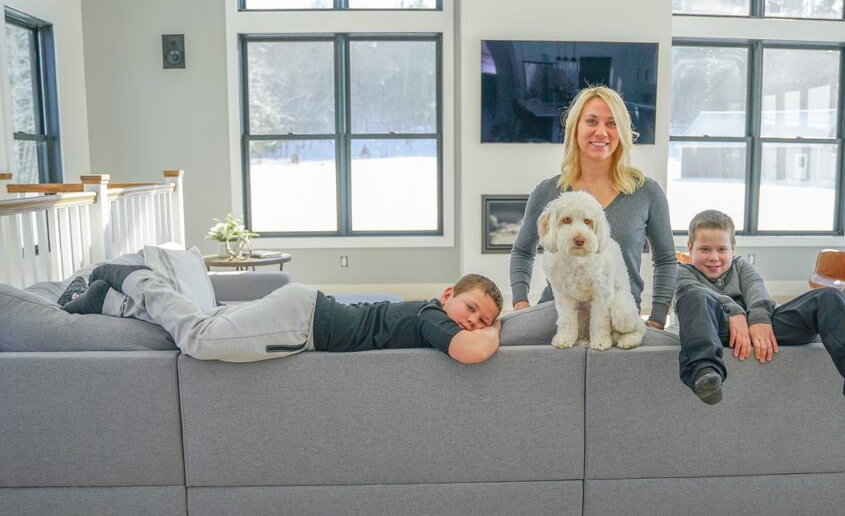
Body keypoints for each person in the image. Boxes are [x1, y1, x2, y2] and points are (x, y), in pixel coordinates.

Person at [675, 209, 845, 425]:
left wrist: (758, 318)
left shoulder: (742, 267)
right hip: (714, 330)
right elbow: (692, 292)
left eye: (721, 249)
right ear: (690, 248)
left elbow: (757, 290)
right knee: (693, 297)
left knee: (829, 297)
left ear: (733, 250)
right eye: (704, 250)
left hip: (761, 331)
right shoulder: (682, 271)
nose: (713, 257)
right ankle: (705, 373)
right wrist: (734, 311)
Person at [63, 263, 502, 364]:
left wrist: (489, 324)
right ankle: (135, 277)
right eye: (471, 309)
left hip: (304, 311)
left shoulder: (434, 312)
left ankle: (107, 301)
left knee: (211, 326)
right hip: (302, 323)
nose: (473, 323)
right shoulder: (433, 315)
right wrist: (497, 330)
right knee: (199, 338)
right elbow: (472, 353)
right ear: (448, 295)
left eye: (482, 320)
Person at [509, 85, 677, 328]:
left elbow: (665, 260)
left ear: (622, 132)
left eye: (611, 123)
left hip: (616, 318)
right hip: (556, 317)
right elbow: (523, 251)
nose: (601, 132)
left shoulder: (647, 192)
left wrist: (658, 317)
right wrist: (520, 305)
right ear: (575, 127)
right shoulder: (547, 192)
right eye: (591, 121)